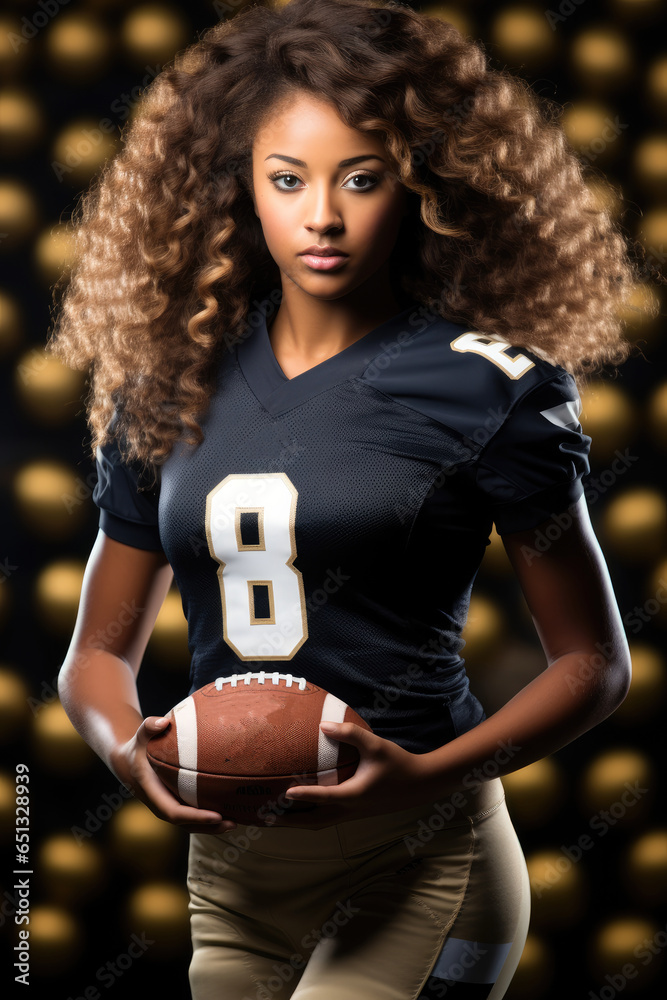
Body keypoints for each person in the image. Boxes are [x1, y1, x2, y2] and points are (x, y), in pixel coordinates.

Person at [48, 1, 648, 997]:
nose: (321, 216)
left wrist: (430, 771)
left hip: (418, 847)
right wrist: (129, 751)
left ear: (421, 184)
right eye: (287, 180)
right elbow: (97, 656)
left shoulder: (490, 382)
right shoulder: (169, 381)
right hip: (234, 864)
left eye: (360, 180)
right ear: (239, 183)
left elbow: (593, 662)